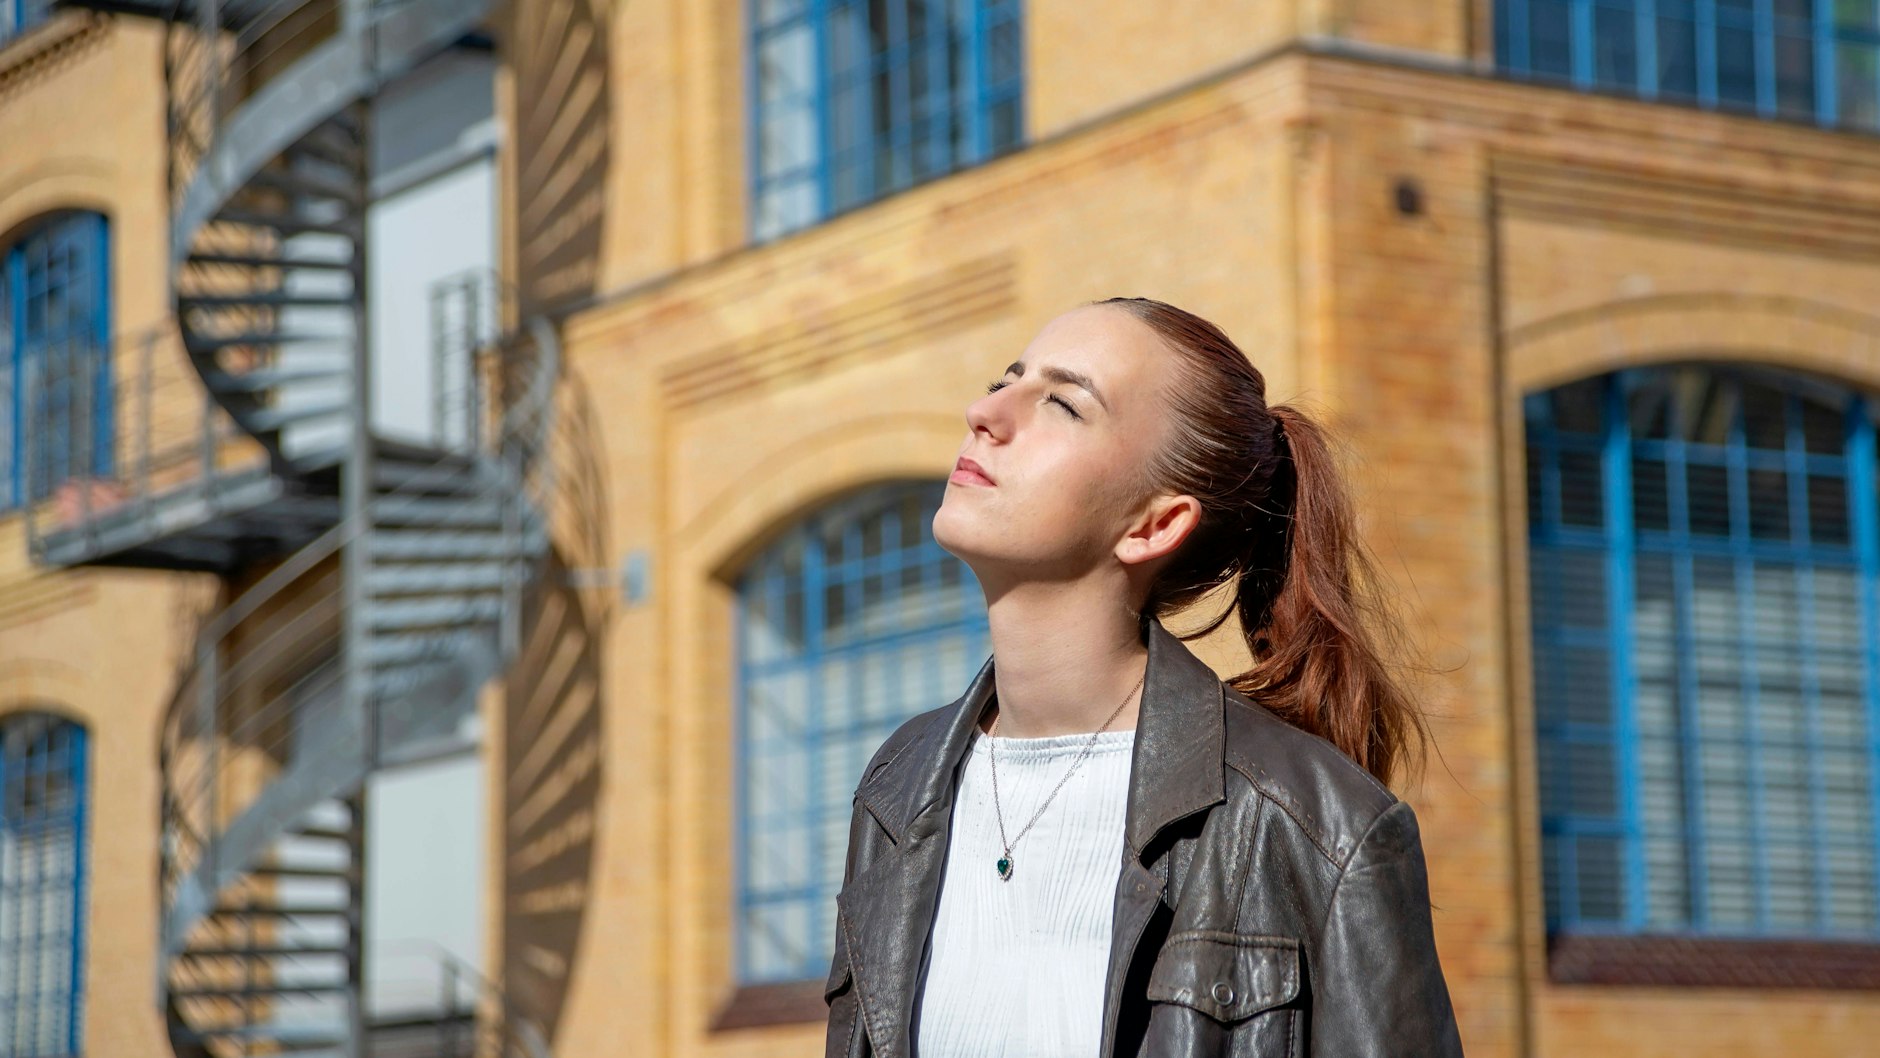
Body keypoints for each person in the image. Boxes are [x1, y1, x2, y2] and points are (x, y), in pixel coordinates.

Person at [822, 297, 1465, 1058]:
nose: (985, 411)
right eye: (1007, 379)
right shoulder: (900, 785)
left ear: (1155, 524)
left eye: (1062, 403)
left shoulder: (1317, 828)